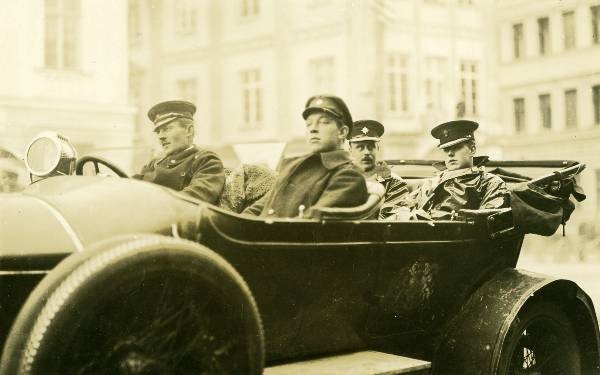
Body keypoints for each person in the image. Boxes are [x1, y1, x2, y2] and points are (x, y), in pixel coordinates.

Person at [243, 95, 368, 218]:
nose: (313, 129)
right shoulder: (292, 166)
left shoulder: (349, 175)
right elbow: (257, 210)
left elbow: (308, 225)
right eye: (309, 124)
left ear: (342, 132)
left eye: (323, 122)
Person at [409, 120, 509, 220]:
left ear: (472, 150)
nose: (450, 154)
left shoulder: (490, 183)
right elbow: (406, 208)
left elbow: (487, 222)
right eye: (446, 149)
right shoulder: (431, 183)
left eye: (456, 147)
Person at [133, 100, 225, 204]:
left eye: (166, 129)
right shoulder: (153, 164)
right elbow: (132, 188)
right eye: (158, 132)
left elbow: (194, 198)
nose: (160, 136)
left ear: (189, 131)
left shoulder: (206, 161)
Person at [348, 120, 409, 219]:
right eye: (360, 147)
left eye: (371, 147)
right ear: (350, 150)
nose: (366, 152)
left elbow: (396, 218)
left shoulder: (394, 182)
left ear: (378, 149)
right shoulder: (339, 178)